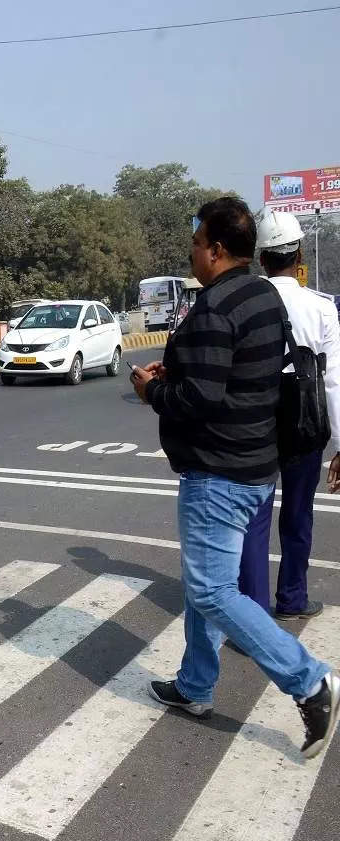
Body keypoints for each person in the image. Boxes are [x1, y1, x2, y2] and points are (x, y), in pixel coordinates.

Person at [130, 196, 338, 759]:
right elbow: (241, 372)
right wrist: (184, 367)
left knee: (210, 588)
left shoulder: (214, 308)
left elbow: (197, 399)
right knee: (205, 575)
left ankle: (309, 681)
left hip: (217, 472)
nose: (193, 254)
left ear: (217, 250)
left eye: (196, 245)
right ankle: (195, 685)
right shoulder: (263, 296)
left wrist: (151, 389)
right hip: (256, 466)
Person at [235, 208, 340, 620]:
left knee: (254, 521)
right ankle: (293, 599)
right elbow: (332, 381)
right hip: (305, 425)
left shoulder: (246, 302)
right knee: (298, 516)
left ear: (261, 258)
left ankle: (252, 611)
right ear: (298, 255)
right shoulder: (321, 307)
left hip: (255, 424)